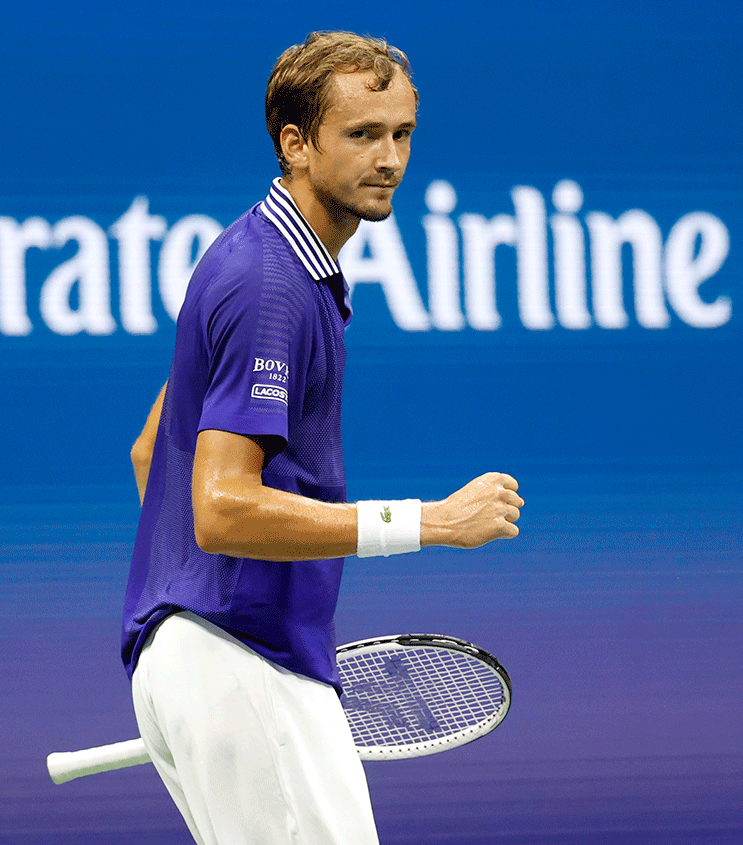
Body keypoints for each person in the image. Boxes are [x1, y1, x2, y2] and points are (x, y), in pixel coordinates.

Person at [121, 31, 523, 845]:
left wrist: (199, 622)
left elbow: (150, 451)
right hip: (241, 660)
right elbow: (222, 510)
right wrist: (431, 522)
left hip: (214, 657)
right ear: (296, 145)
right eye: (363, 135)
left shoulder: (254, 258)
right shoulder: (273, 285)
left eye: (402, 133)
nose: (390, 159)